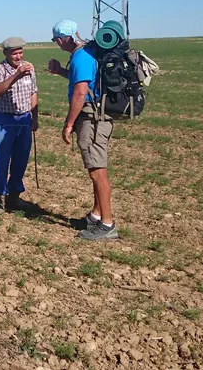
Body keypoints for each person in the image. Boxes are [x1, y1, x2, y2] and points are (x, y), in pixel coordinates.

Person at [47, 20, 119, 241]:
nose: (57, 43)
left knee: (98, 172)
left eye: (57, 40)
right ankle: (96, 216)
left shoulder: (81, 57)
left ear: (63, 39)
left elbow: (80, 93)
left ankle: (107, 225)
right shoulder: (86, 52)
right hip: (96, 117)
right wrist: (60, 71)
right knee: (96, 170)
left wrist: (69, 123)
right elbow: (84, 81)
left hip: (92, 119)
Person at [0, 36, 39, 213]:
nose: (18, 56)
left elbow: (33, 92)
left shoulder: (29, 67)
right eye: (14, 53)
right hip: (4, 120)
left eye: (20, 52)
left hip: (24, 119)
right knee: (0, 160)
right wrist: (17, 75)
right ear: (6, 54)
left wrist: (35, 118)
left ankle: (14, 196)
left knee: (20, 160)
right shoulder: (0, 69)